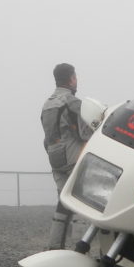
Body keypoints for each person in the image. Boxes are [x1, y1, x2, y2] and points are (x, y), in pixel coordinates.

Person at [41, 63, 93, 249]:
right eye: (75, 76)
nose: (76, 80)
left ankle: (54, 247)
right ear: (71, 78)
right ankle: (79, 248)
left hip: (55, 158)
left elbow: (47, 137)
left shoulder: (47, 104)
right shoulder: (71, 102)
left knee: (63, 203)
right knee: (80, 201)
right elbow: (84, 133)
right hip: (73, 157)